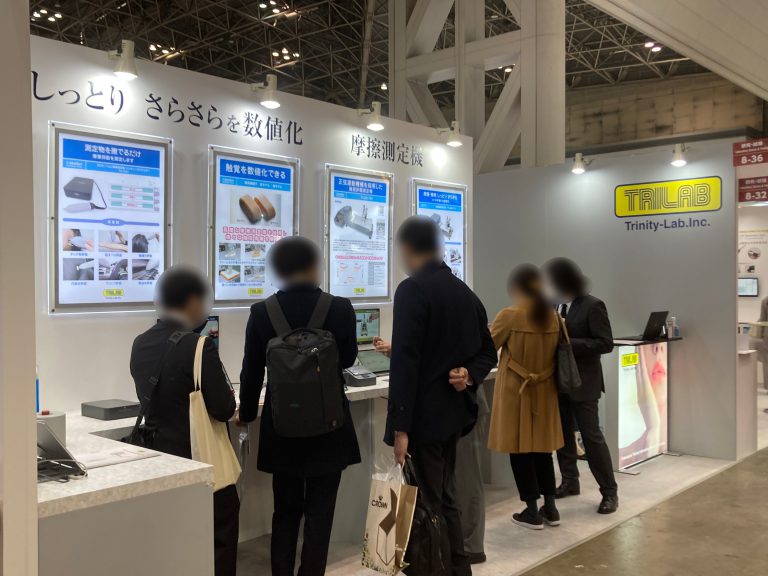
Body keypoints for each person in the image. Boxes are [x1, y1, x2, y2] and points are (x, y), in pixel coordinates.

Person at [239, 236, 360, 576]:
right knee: (320, 513)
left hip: (282, 425)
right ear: (314, 266)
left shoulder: (262, 312)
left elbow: (251, 371)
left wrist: (246, 414)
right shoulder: (339, 308)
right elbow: (348, 359)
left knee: (285, 510)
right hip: (329, 423)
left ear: (278, 270)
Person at [385, 216, 497, 576]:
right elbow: (488, 352)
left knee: (425, 504)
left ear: (407, 248)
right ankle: (458, 567)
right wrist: (469, 374)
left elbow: (406, 363)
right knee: (445, 498)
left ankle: (432, 568)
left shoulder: (411, 290)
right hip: (453, 416)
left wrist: (400, 428)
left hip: (423, 419)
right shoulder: (464, 293)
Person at [130, 266, 239, 576]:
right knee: (220, 533)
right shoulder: (199, 346)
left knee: (173, 540)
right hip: (200, 459)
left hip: (158, 457)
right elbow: (224, 408)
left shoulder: (140, 342)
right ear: (192, 301)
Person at [488, 264, 564, 530]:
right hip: (545, 391)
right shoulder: (554, 317)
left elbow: (486, 348)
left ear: (518, 288)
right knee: (543, 450)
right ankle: (551, 508)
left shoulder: (509, 315)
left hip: (516, 392)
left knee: (520, 451)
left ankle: (532, 511)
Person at [543, 257, 619, 515]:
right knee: (562, 434)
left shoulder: (593, 305)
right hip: (558, 381)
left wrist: (567, 342)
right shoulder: (553, 305)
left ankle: (609, 492)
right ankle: (569, 481)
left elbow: (605, 343)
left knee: (591, 437)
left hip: (584, 383)